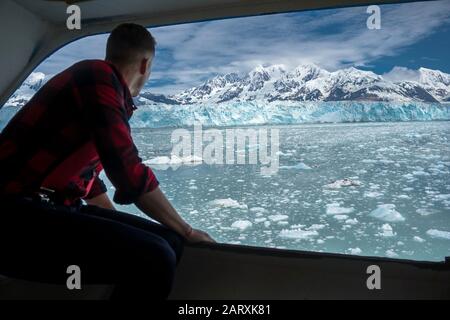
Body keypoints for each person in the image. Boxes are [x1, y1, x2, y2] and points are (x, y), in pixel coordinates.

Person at [0, 23, 215, 300]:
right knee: (155, 256)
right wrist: (188, 229)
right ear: (145, 64)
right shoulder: (97, 77)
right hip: (13, 213)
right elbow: (126, 168)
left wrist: (119, 225)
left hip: (47, 207)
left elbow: (88, 182)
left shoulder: (100, 84)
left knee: (170, 242)